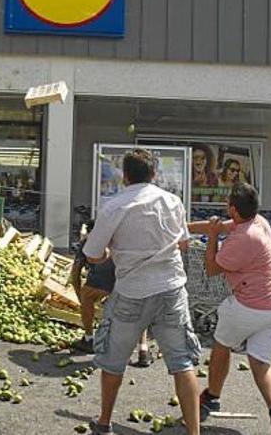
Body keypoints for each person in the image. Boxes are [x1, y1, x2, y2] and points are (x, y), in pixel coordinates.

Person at [83, 148, 201, 435]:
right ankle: (194, 431)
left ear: (125, 176)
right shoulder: (173, 201)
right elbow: (183, 243)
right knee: (182, 362)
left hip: (131, 291)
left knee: (114, 361)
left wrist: (111, 251)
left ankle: (104, 422)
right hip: (172, 289)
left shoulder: (114, 206)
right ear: (154, 174)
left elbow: (92, 255)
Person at [189, 183, 271, 435]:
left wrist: (212, 237)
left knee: (221, 346)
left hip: (248, 305)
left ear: (234, 209)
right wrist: (183, 228)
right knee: (261, 365)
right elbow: (219, 225)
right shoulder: (259, 222)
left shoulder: (242, 240)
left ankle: (212, 395)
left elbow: (213, 268)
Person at [70, 219, 152, 367]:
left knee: (87, 295)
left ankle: (89, 339)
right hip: (129, 280)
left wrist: (81, 299)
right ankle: (143, 350)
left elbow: (75, 274)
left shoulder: (87, 243)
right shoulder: (124, 240)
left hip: (101, 283)